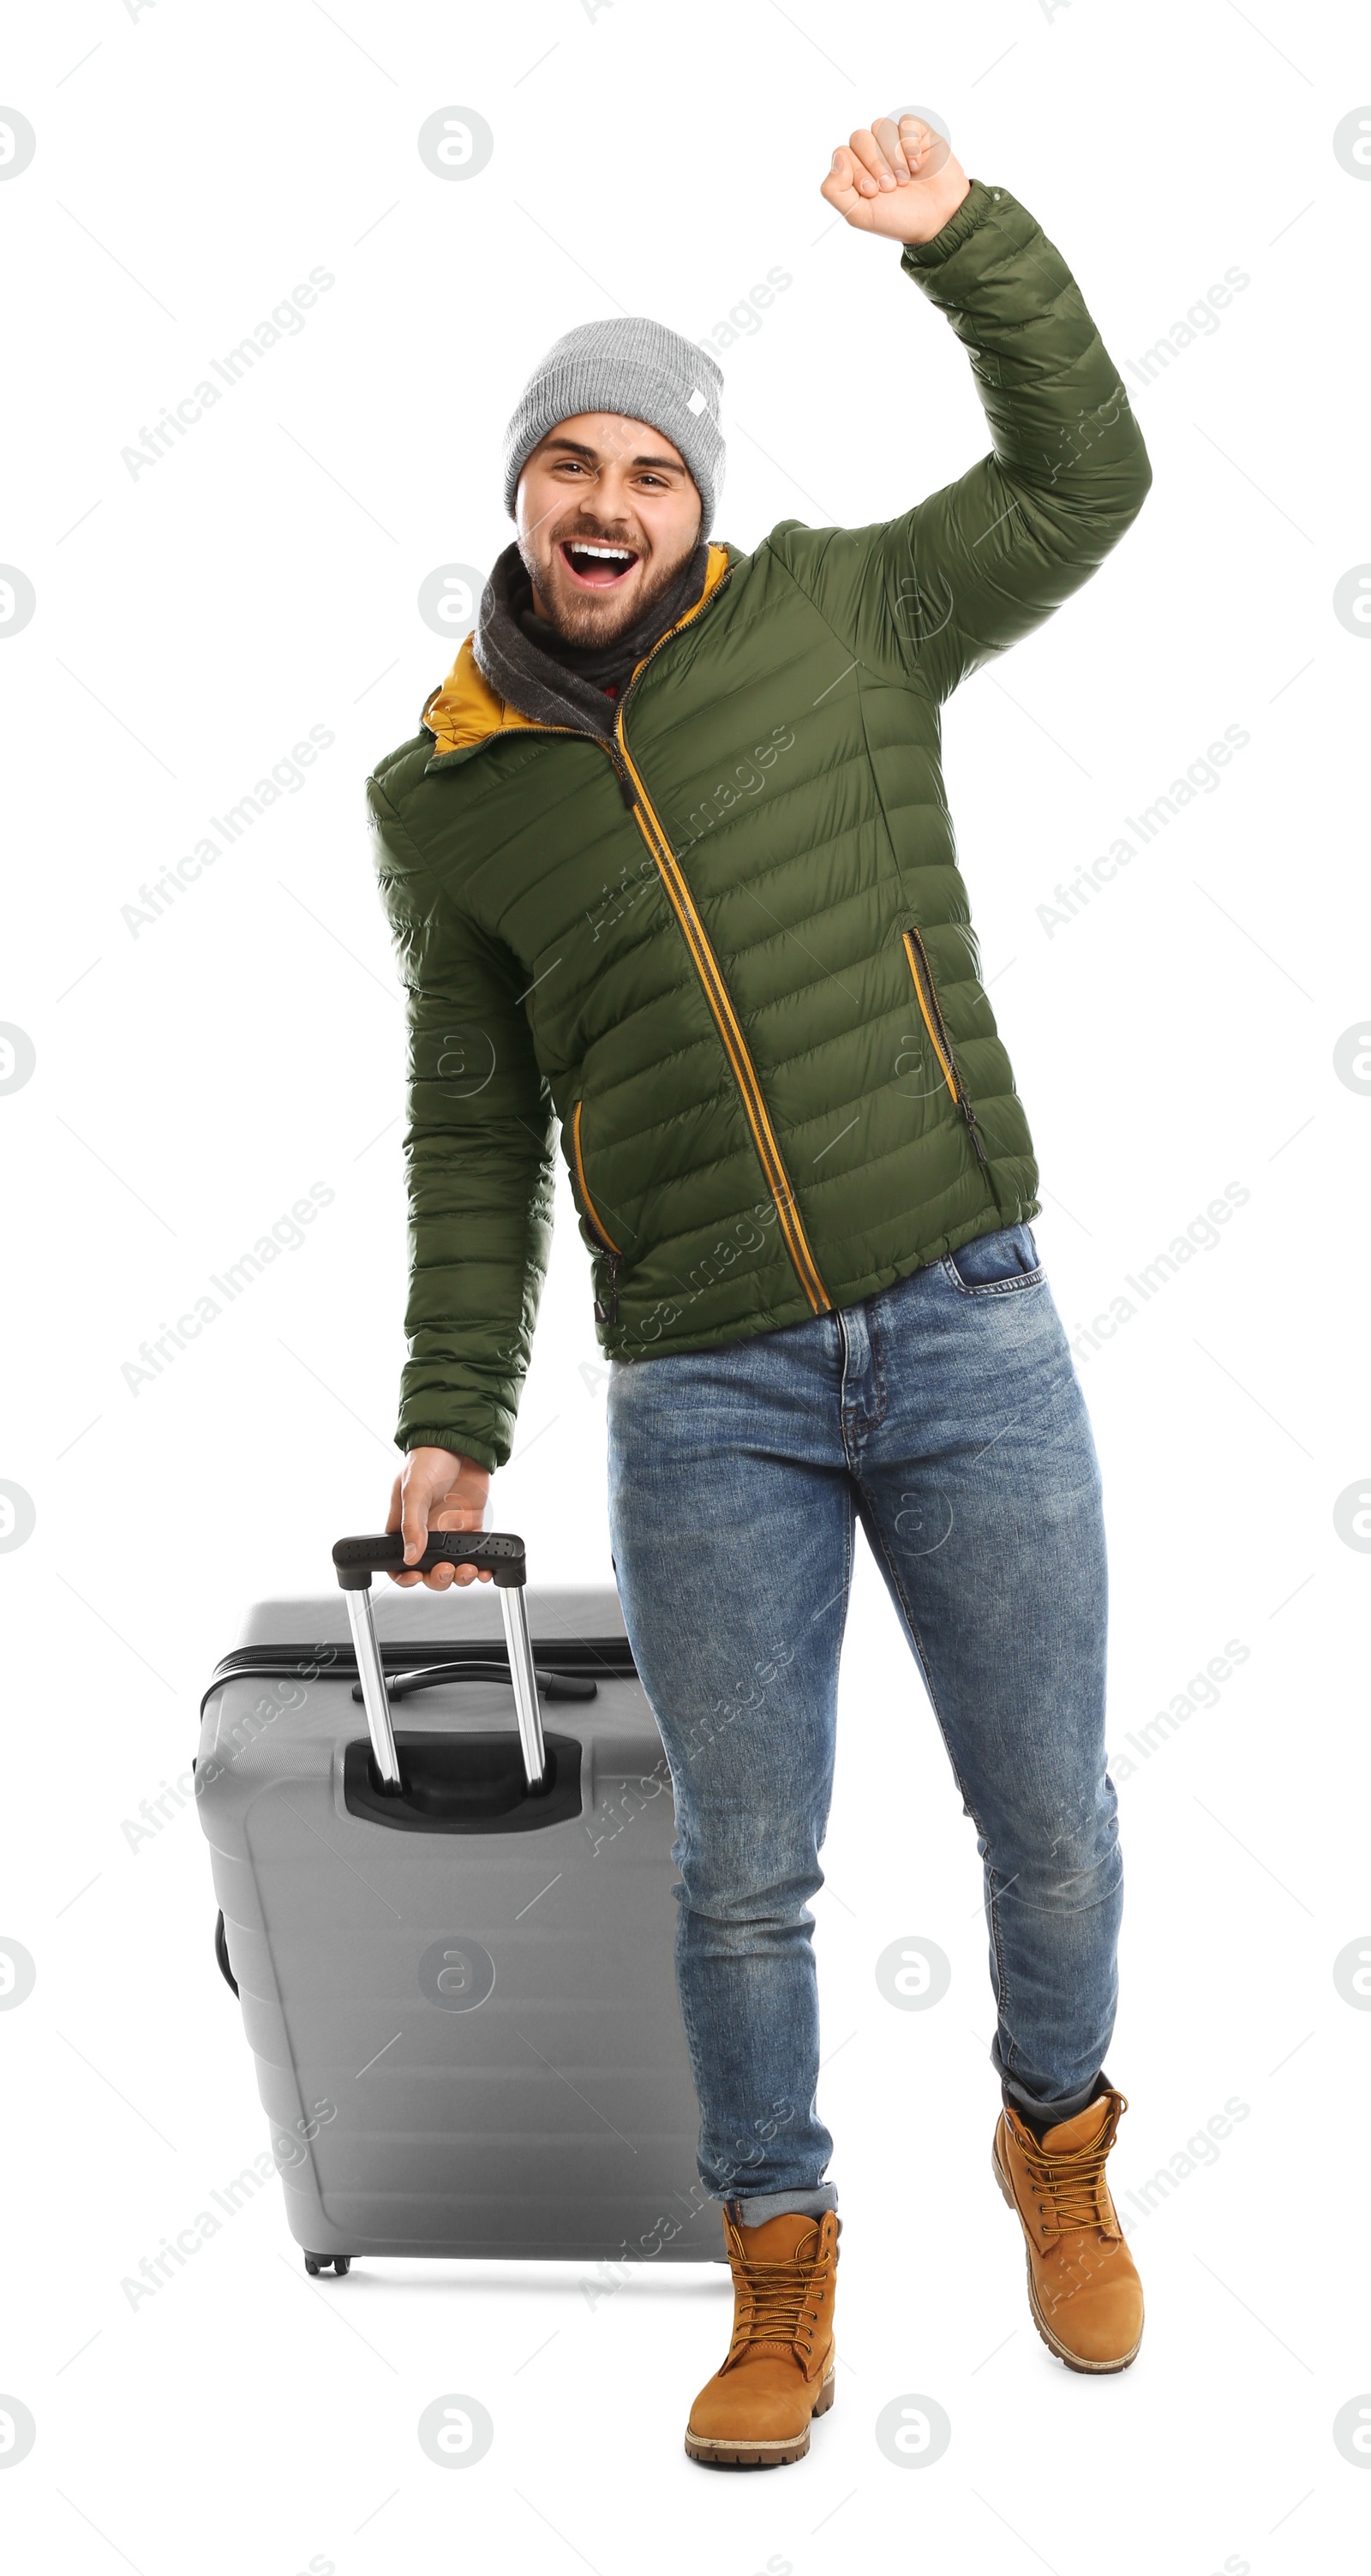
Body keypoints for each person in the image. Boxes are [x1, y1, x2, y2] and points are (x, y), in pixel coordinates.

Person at [368, 111, 1152, 2466]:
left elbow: (1085, 478)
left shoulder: (840, 611)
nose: (603, 503)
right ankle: (776, 2265)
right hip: (701, 1384)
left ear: (699, 506)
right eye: (563, 467)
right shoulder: (451, 797)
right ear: (521, 502)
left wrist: (970, 247)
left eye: (647, 469)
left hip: (971, 1317)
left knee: (1053, 1817)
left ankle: (1059, 2146)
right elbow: (475, 1127)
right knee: (743, 1873)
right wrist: (448, 1410)